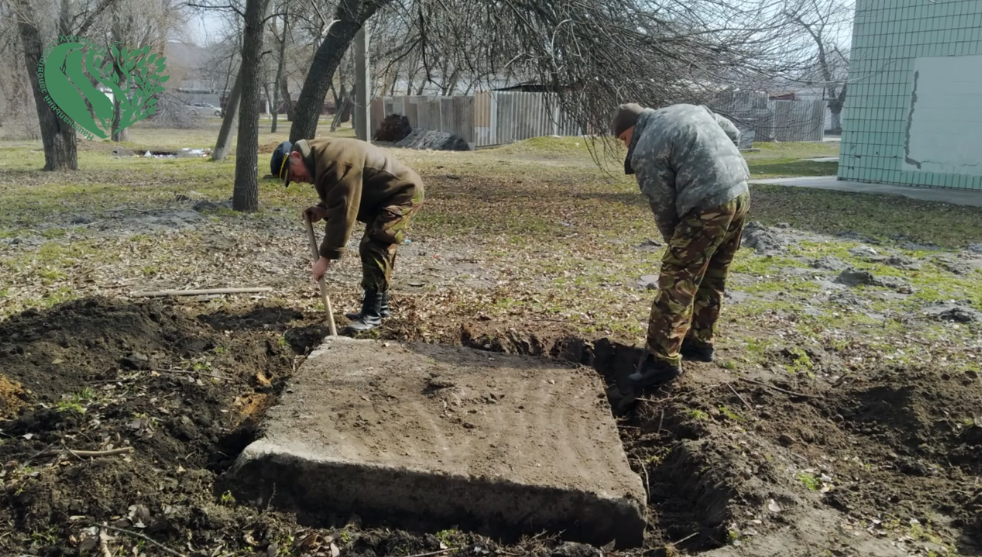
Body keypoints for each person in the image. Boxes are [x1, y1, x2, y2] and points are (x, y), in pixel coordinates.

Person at [611, 103, 750, 388]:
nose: (626, 147)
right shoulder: (690, 110)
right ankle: (699, 343)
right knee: (713, 274)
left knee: (677, 280)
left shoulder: (646, 147)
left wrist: (675, 244)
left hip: (706, 206)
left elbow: (662, 206)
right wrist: (720, 167)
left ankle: (662, 361)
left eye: (624, 139)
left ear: (631, 129)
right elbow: (732, 132)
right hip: (740, 192)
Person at [270, 137, 424, 334]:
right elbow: (341, 193)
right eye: (290, 180)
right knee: (377, 246)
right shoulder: (321, 158)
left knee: (375, 246)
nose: (296, 180)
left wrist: (324, 259)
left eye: (292, 174)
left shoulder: (333, 162)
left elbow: (343, 212)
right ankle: (380, 308)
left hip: (403, 194)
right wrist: (323, 209)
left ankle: (372, 314)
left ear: (296, 156)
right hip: (384, 197)